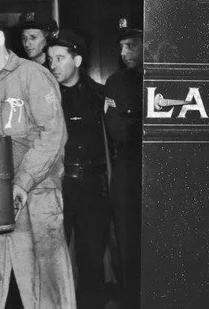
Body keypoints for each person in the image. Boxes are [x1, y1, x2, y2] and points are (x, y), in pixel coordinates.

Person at [0, 20, 76, 308]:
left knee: (47, 288)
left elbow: (53, 136)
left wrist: (22, 181)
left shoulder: (32, 75)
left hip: (37, 195)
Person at [47, 30, 111, 308]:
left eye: (60, 58)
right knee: (52, 260)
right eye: (51, 59)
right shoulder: (45, 97)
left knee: (92, 261)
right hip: (58, 187)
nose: (53, 65)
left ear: (78, 59)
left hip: (93, 190)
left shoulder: (100, 95)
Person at [103, 18, 143, 308]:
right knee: (128, 240)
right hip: (129, 171)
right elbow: (119, 131)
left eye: (130, 45)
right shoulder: (116, 82)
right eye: (121, 47)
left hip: (161, 172)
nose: (124, 53)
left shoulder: (165, 78)